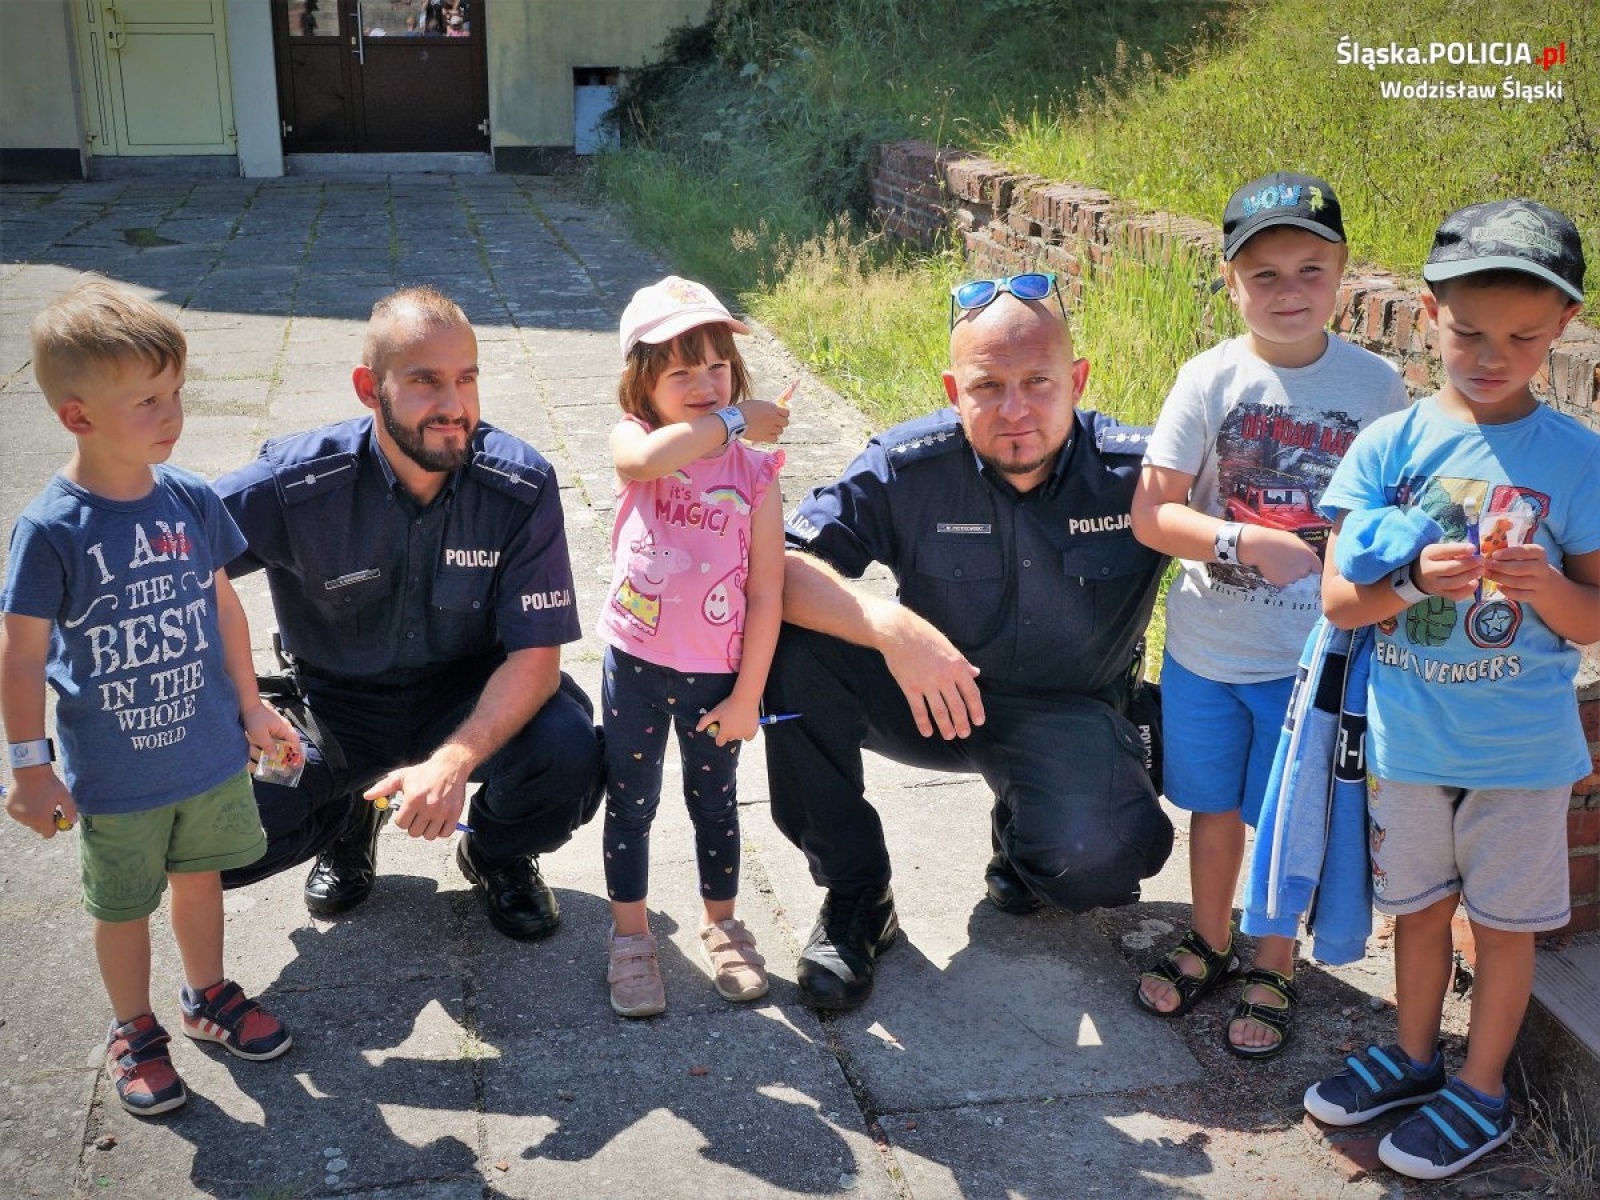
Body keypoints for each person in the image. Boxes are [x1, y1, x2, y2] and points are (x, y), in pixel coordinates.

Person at [764, 270, 1174, 1010]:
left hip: (1068, 713)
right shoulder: (907, 467)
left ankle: (1026, 837)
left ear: (1077, 379)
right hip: (932, 698)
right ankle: (858, 895)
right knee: (787, 655)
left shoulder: (1137, 475)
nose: (1014, 410)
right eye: (987, 387)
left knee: (1107, 862)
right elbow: (782, 569)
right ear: (954, 391)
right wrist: (888, 626)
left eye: (1038, 382)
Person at [1302, 199, 1599, 1181]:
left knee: (1506, 929)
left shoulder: (1577, 461)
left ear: (1561, 328)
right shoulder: (1387, 447)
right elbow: (1342, 602)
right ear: (1428, 314)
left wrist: (1543, 587)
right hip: (1411, 745)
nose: (1489, 354)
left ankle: (1481, 1090)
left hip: (1521, 758)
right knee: (1418, 911)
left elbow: (1593, 617)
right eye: (1467, 332)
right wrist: (1413, 580)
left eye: (1520, 336)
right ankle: (1414, 1052)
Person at [214, 285, 604, 941]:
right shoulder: (295, 485)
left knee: (566, 751)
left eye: (466, 380)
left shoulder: (518, 486)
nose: (454, 406)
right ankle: (345, 817)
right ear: (370, 388)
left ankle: (496, 854)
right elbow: (166, 555)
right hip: (331, 714)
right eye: (426, 382)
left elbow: (535, 661)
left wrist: (450, 766)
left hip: (467, 700)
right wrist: (241, 703)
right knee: (216, 821)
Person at [1130, 173, 1408, 1057]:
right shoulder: (1208, 378)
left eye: (1310, 270)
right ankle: (1212, 940)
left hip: (1314, 660)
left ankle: (1273, 961)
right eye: (1265, 276)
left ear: (1344, 274)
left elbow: (1396, 513)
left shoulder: (1378, 388)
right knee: (1211, 809)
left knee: (1289, 815)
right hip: (1210, 647)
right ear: (1230, 280)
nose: (1288, 293)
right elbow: (1153, 513)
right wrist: (1243, 544)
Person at [1, 279, 295, 1117]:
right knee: (123, 905)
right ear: (77, 416)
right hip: (116, 772)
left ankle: (207, 996)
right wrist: (30, 769)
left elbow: (224, 603)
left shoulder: (190, 497)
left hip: (205, 754)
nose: (171, 416)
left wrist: (252, 705)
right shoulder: (52, 529)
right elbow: (19, 659)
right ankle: (133, 1026)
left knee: (200, 881)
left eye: (175, 395)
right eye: (147, 402)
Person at [596, 277, 791, 1016]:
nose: (705, 384)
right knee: (631, 803)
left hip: (717, 675)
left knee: (715, 804)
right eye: (680, 372)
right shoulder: (634, 440)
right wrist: (740, 417)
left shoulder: (757, 473)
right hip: (636, 666)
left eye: (717, 367)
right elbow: (646, 463)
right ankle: (631, 938)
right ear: (642, 385)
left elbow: (767, 593)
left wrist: (748, 697)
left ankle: (722, 924)